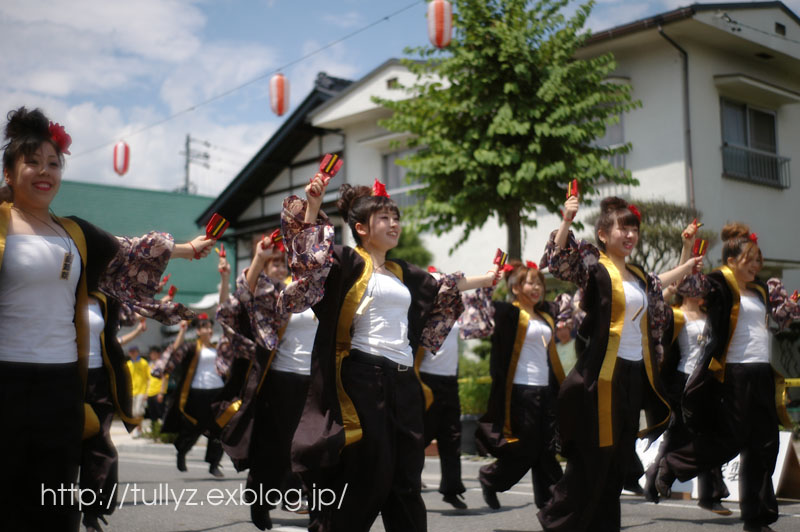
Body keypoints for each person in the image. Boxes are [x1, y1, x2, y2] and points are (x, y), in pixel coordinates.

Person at [0, 106, 214, 532]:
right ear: (9, 172)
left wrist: (188, 248)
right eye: (32, 162)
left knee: (55, 495)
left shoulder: (74, 232)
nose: (45, 172)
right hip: (5, 379)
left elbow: (130, 249)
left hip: (62, 381)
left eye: (53, 164)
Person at [290, 179, 498, 532]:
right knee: (372, 472)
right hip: (363, 379)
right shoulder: (344, 261)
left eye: (396, 217)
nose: (394, 224)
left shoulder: (402, 271)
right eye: (384, 218)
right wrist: (313, 205)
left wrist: (487, 278)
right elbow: (309, 260)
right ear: (361, 228)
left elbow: (443, 284)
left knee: (405, 477)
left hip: (403, 382)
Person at [536, 195, 701, 532]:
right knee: (594, 457)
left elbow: (662, 284)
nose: (629, 235)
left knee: (616, 460)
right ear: (602, 234)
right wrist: (567, 219)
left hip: (632, 376)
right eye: (622, 228)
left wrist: (686, 253)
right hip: (602, 377)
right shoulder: (595, 267)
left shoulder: (638, 274)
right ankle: (558, 521)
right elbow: (558, 261)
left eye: (633, 230)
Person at [654, 222, 800, 532]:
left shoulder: (761, 288)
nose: (755, 264)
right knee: (730, 439)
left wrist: (792, 306)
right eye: (749, 258)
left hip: (762, 373)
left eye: (758, 259)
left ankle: (758, 518)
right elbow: (688, 288)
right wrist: (690, 258)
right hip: (731, 374)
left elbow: (777, 321)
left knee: (765, 444)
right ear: (732, 260)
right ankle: (672, 464)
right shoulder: (719, 283)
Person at [214, 173, 333, 530]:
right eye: (278, 262)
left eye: (284, 261)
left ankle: (317, 507)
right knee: (275, 446)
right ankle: (261, 499)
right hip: (278, 381)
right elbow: (241, 301)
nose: (283, 265)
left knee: (312, 445)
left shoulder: (321, 287)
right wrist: (256, 258)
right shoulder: (273, 293)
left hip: (315, 381)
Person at [459, 260, 569, 512]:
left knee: (546, 448)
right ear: (517, 287)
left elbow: (573, 306)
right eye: (530, 282)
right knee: (527, 447)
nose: (536, 287)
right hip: (520, 391)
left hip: (546, 390)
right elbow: (479, 312)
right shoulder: (507, 313)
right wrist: (490, 282)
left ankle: (551, 504)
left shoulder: (546, 313)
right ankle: (491, 478)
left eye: (539, 283)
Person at [644, 289, 730, 514]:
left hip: (706, 380)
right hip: (682, 381)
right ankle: (654, 479)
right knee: (678, 435)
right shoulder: (674, 314)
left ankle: (711, 495)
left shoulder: (710, 316)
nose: (700, 290)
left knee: (709, 435)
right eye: (695, 285)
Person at [154, 316, 227, 477]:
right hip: (197, 393)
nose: (209, 330)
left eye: (210, 327)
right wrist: (182, 330)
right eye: (205, 327)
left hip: (217, 391)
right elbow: (175, 350)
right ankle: (182, 451)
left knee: (220, 428)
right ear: (198, 331)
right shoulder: (191, 347)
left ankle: (214, 464)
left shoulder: (217, 348)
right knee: (195, 427)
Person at [126, 344, 149, 438]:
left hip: (141, 391)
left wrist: (147, 392)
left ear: (138, 352)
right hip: (131, 392)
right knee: (133, 412)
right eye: (131, 352)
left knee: (138, 411)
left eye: (134, 351)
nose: (133, 353)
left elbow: (148, 378)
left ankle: (138, 429)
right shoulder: (128, 364)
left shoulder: (144, 363)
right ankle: (138, 429)